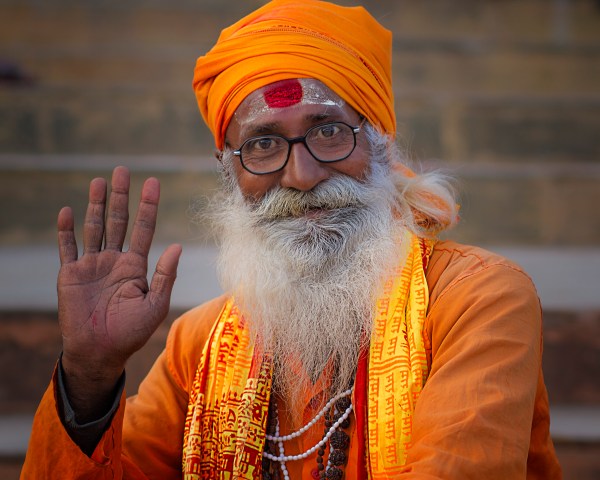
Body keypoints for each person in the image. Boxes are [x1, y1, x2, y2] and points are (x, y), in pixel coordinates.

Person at [21, 1, 562, 478]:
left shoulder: (477, 299)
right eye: (263, 144)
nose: (301, 176)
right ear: (229, 173)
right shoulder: (199, 344)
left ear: (379, 144)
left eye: (328, 131)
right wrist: (88, 375)